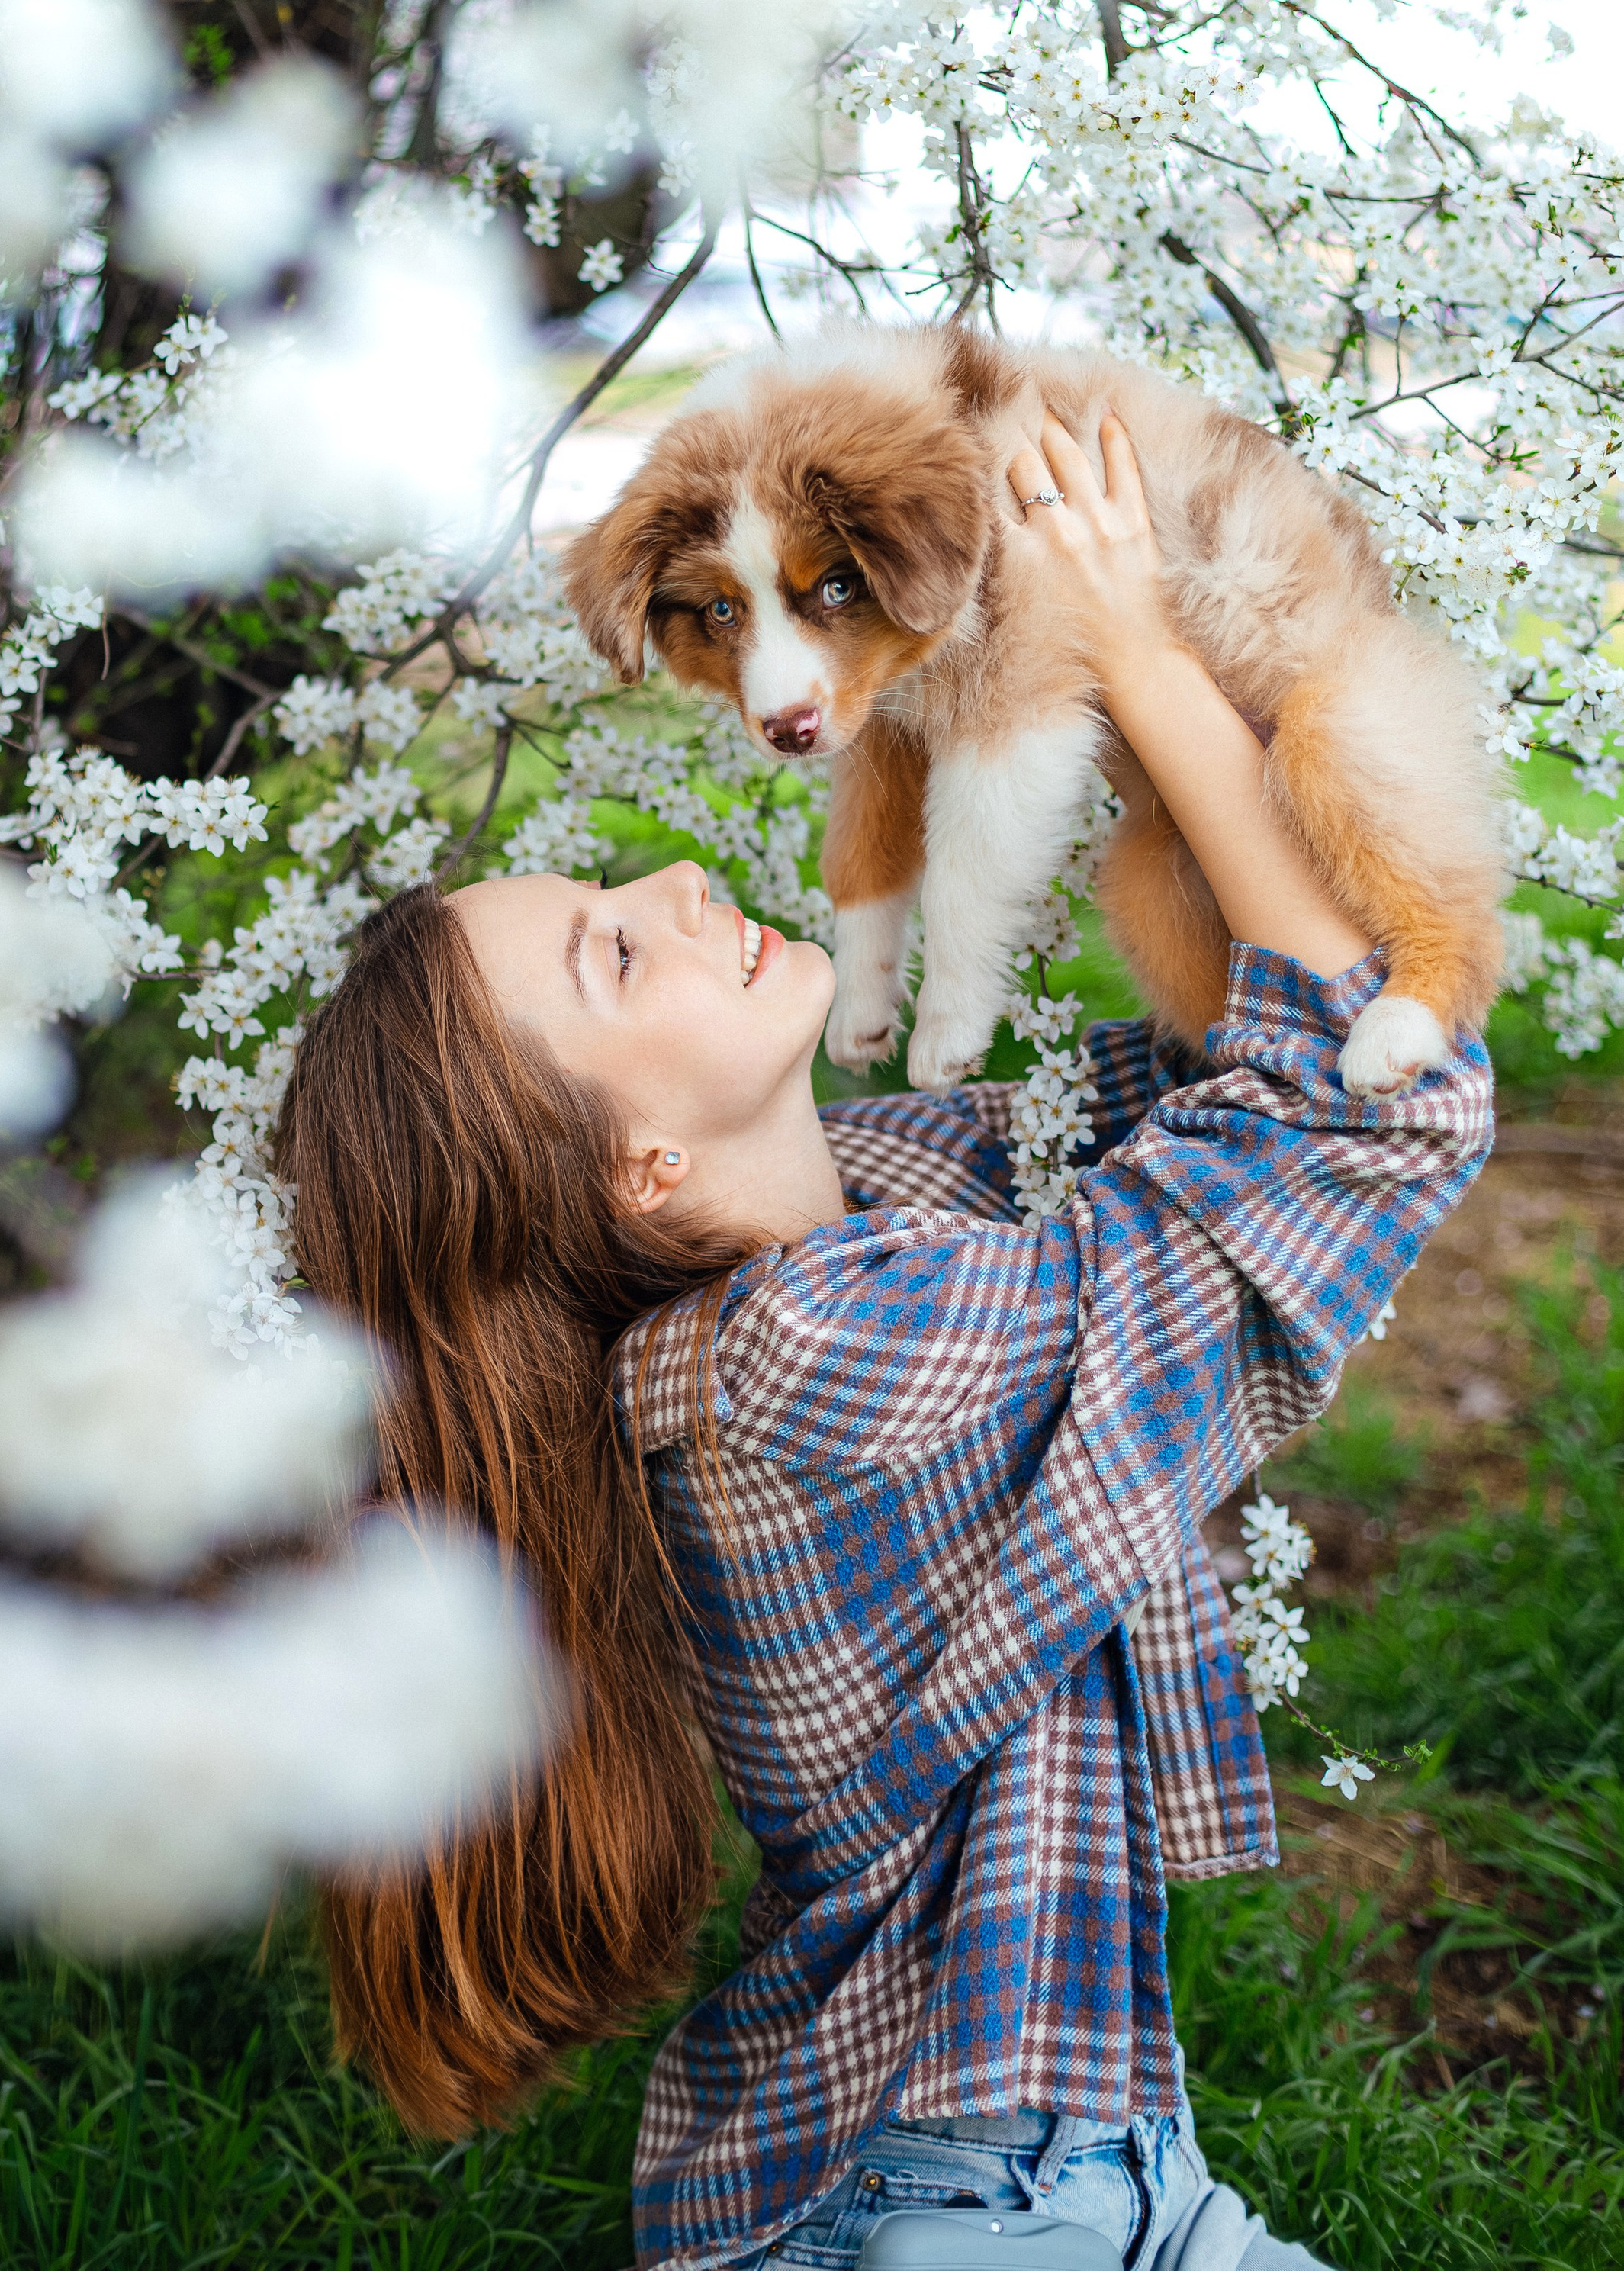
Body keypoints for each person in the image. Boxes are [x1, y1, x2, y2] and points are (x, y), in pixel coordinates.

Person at [275, 413, 1492, 2271]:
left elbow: (1237, 1059)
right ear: (639, 1165)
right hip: (979, 2205)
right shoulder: (810, 1359)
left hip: (1006, 2169)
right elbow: (1363, 1113)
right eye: (616, 954)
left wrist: (1142, 667)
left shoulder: (876, 1198)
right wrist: (1132, 650)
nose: (677, 891)